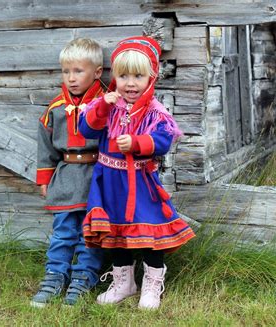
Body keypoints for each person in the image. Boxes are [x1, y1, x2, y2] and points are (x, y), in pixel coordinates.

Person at [78, 36, 196, 309]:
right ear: (114, 77)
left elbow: (163, 141)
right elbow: (86, 130)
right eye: (123, 76)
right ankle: (124, 283)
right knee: (116, 232)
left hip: (140, 183)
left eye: (138, 76)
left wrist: (136, 144)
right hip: (109, 182)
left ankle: (152, 285)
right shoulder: (108, 106)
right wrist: (102, 106)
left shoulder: (154, 112)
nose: (130, 83)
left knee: (150, 233)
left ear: (151, 77)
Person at [31, 38, 104, 307]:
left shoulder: (105, 106)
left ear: (97, 72)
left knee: (91, 231)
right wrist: (44, 177)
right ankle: (55, 275)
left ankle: (84, 276)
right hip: (65, 175)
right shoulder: (56, 109)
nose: (71, 78)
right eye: (66, 71)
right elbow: (45, 145)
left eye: (78, 71)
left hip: (97, 177)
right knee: (63, 231)